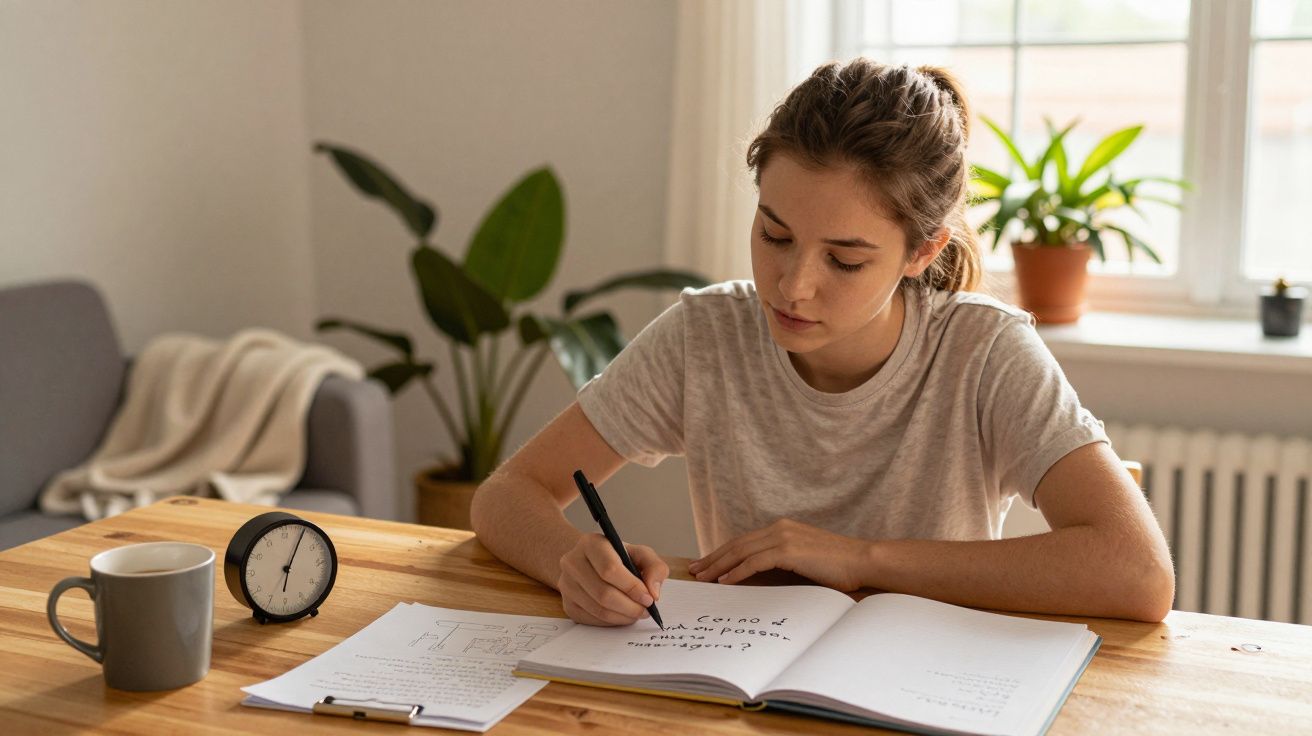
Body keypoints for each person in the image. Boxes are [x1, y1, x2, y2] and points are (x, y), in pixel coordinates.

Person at [471, 58, 1174, 626]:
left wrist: (862, 559)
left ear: (922, 253)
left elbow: (1137, 572)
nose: (793, 286)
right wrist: (571, 562)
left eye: (844, 260)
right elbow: (506, 496)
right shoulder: (705, 335)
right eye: (774, 235)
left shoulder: (984, 353)